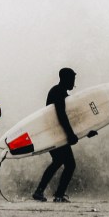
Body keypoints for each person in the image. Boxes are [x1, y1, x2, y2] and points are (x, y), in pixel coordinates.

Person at [32, 67, 94, 203]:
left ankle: (42, 192)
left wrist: (86, 132)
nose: (73, 82)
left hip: (56, 132)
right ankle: (56, 194)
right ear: (65, 79)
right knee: (69, 164)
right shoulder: (57, 92)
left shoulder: (63, 94)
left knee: (60, 162)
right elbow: (61, 115)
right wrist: (70, 134)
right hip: (55, 133)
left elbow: (73, 118)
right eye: (72, 79)